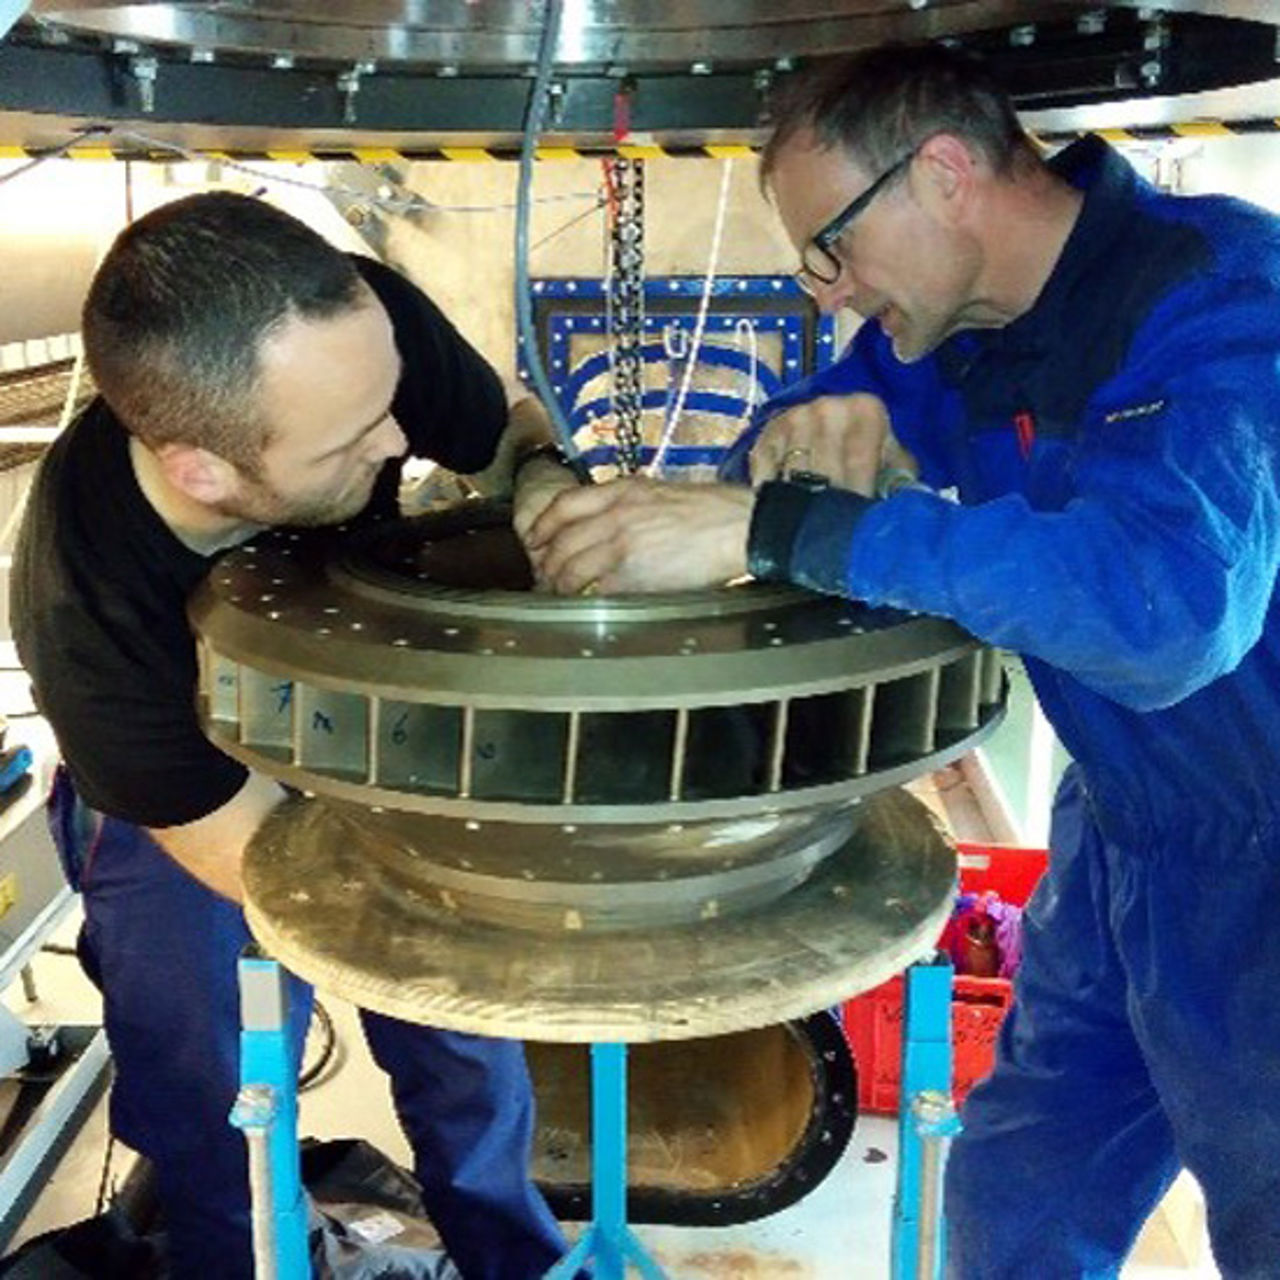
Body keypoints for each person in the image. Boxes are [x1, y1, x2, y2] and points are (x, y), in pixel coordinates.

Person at [525, 43, 1280, 1279]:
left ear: (940, 174)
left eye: (831, 248)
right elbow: (814, 431)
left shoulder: (1216, 296)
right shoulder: (950, 325)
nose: (826, 292)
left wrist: (777, 528)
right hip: (1124, 828)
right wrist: (796, 444)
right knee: (1017, 1197)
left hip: (1261, 857)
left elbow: (1165, 613)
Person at [12, 191, 584, 1279]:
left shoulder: (354, 335)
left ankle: (514, 1262)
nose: (400, 439)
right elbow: (245, 858)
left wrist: (545, 481)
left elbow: (500, 428)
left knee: (461, 1033)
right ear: (205, 471)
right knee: (211, 1083)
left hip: (363, 720)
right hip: (189, 798)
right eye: (354, 440)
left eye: (388, 404)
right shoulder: (88, 613)